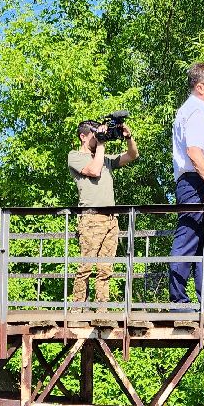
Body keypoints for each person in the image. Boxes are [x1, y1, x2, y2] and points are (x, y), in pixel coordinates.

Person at [66, 117, 139, 306]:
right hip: (91, 217)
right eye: (94, 135)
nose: (98, 138)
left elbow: (132, 155)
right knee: (86, 266)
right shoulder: (75, 156)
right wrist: (101, 144)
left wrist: (128, 137)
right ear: (83, 136)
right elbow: (94, 171)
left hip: (110, 219)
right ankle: (78, 308)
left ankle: (102, 308)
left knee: (106, 268)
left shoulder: (105, 158)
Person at [170, 63, 204, 304]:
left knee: (203, 241)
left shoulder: (190, 110)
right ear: (200, 87)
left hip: (194, 181)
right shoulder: (197, 111)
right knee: (190, 235)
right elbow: (194, 151)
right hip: (196, 183)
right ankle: (179, 300)